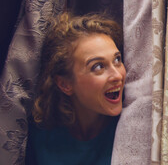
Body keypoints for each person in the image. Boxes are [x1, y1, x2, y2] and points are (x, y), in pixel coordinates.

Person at [25, 12, 126, 165]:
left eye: (117, 60)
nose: (118, 75)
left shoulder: (131, 127)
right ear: (65, 84)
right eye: (98, 66)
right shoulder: (38, 135)